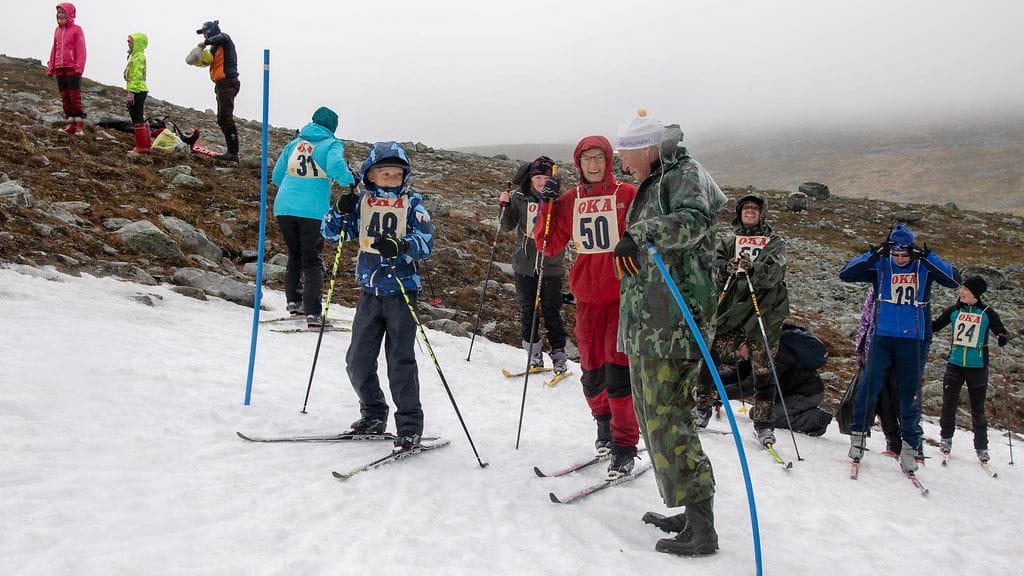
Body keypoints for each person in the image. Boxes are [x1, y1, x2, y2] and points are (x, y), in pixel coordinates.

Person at [612, 109, 727, 556]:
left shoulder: (684, 173)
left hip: (674, 325)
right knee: (654, 422)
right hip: (649, 325)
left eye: (625, 151)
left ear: (645, 147)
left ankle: (703, 528)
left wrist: (639, 234)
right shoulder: (656, 180)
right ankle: (688, 507)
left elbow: (694, 220)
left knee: (670, 422)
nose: (622, 159)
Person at [534, 135, 641, 477]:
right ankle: (604, 429)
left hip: (622, 298)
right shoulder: (570, 199)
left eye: (599, 158)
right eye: (586, 160)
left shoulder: (627, 194)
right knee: (592, 375)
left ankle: (626, 445)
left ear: (608, 160)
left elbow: (648, 237)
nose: (593, 165)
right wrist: (546, 204)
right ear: (578, 164)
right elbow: (548, 245)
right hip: (587, 300)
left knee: (618, 375)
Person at [320, 142, 434, 451]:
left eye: (396, 175)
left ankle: (410, 426)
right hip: (370, 291)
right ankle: (373, 412)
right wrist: (337, 211)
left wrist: (402, 247)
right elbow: (332, 234)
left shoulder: (413, 205)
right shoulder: (361, 203)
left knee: (400, 362)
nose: (391, 180)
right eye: (385, 174)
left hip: (401, 292)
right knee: (357, 360)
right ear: (370, 174)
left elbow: (426, 243)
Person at [839, 224, 960, 474]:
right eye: (896, 254)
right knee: (868, 387)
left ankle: (910, 447)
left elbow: (953, 279)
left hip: (913, 340)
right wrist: (874, 254)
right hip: (882, 337)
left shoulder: (923, 266)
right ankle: (858, 438)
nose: (901, 260)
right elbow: (846, 274)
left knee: (909, 395)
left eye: (906, 255)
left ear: (912, 253)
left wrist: (928, 256)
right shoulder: (881, 265)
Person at [694, 192, 790, 448]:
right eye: (745, 208)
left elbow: (775, 274)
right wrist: (728, 268)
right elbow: (716, 266)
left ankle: (764, 424)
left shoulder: (774, 241)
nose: (749, 211)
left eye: (754, 209)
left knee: (763, 369)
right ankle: (701, 407)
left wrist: (754, 269)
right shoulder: (729, 239)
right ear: (739, 212)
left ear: (762, 213)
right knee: (712, 354)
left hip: (763, 312)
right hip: (732, 310)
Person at [271, 107, 356, 327]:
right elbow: (336, 167)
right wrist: (350, 180)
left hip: (283, 207)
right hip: (313, 210)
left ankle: (294, 302)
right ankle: (313, 313)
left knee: (295, 254)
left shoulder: (294, 143)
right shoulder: (331, 144)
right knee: (312, 259)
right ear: (332, 127)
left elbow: (277, 176)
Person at [499, 156, 568, 374]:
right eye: (537, 177)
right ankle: (534, 356)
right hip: (524, 264)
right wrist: (504, 206)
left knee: (552, 312)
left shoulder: (560, 198)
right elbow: (506, 226)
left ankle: (559, 357)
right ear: (530, 178)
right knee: (528, 311)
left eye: (545, 177)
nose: (541, 182)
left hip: (551, 264)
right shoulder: (519, 197)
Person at [932, 276, 1010, 462]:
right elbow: (935, 326)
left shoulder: (987, 313)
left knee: (977, 408)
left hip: (977, 366)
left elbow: (1000, 330)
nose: (962, 292)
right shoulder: (954, 310)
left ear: (976, 293)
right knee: (949, 403)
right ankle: (945, 439)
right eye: (962, 289)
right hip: (955, 364)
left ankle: (981, 447)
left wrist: (1002, 336)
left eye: (965, 290)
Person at [718, 326, 832, 436]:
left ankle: (817, 419)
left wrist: (717, 394)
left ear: (745, 343)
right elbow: (737, 374)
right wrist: (710, 383)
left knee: (762, 415)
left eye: (739, 350)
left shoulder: (776, 354)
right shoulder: (755, 349)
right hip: (786, 392)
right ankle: (793, 410)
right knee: (760, 412)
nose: (740, 355)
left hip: (805, 394)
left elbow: (750, 386)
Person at [853, 287, 903, 456]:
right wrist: (860, 350)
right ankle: (893, 441)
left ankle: (912, 443)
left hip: (896, 353)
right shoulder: (875, 290)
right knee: (882, 401)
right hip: (873, 352)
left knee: (898, 398)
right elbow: (865, 319)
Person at [195, 20, 240, 162]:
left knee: (226, 117)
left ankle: (233, 153)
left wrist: (206, 42)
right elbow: (208, 61)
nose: (203, 36)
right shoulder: (214, 48)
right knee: (222, 118)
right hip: (221, 84)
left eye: (205, 32)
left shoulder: (224, 39)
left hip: (227, 82)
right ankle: (231, 152)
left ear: (211, 30)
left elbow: (221, 38)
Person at [47, 3, 87, 135]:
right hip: (60, 68)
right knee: (65, 98)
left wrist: (79, 67)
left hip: (72, 68)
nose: (60, 15)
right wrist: (51, 67)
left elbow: (81, 50)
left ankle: (79, 125)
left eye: (63, 12)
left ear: (69, 14)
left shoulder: (77, 29)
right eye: (58, 12)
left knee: (74, 97)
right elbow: (54, 49)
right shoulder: (57, 30)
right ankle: (70, 124)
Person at [124, 33, 150, 155]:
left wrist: (132, 91)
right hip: (138, 89)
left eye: (130, 41)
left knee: (137, 117)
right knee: (138, 116)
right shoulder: (135, 56)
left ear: (137, 43)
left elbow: (137, 75)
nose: (128, 43)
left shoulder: (138, 57)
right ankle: (145, 145)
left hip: (138, 90)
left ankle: (141, 147)